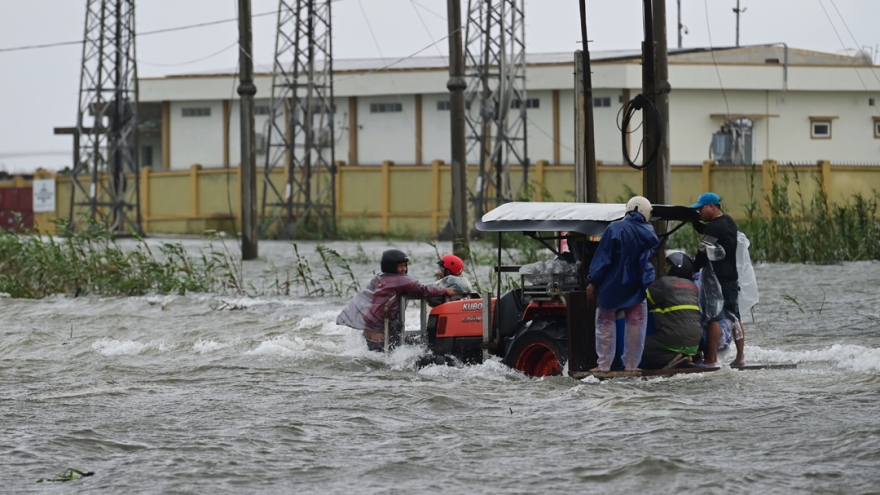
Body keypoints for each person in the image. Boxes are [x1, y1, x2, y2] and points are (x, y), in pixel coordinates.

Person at [587, 196, 660, 372]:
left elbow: (603, 258)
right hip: (636, 287)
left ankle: (604, 365)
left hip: (611, 286)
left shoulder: (614, 228)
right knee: (636, 324)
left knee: (604, 323)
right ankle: (631, 366)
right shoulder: (650, 232)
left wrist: (593, 281)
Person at [336, 249, 454, 352]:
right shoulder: (401, 281)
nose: (404, 269)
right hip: (382, 333)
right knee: (418, 348)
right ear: (391, 266)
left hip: (368, 331)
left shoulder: (378, 278)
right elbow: (422, 289)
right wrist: (445, 291)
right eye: (400, 266)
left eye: (405, 265)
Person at [689, 192, 746, 367]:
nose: (699, 212)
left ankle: (711, 359)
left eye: (701, 208)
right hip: (732, 278)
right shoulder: (729, 222)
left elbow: (702, 254)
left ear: (711, 206)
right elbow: (713, 231)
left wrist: (693, 269)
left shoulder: (713, 228)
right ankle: (741, 357)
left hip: (717, 280)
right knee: (735, 316)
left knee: (713, 317)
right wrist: (694, 223)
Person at [641, 252, 703, 370]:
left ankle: (672, 358)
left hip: (671, 338)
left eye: (668, 264)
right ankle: (687, 356)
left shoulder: (664, 282)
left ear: (676, 268)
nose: (665, 267)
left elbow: (644, 301)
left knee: (639, 347)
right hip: (695, 342)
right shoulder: (693, 286)